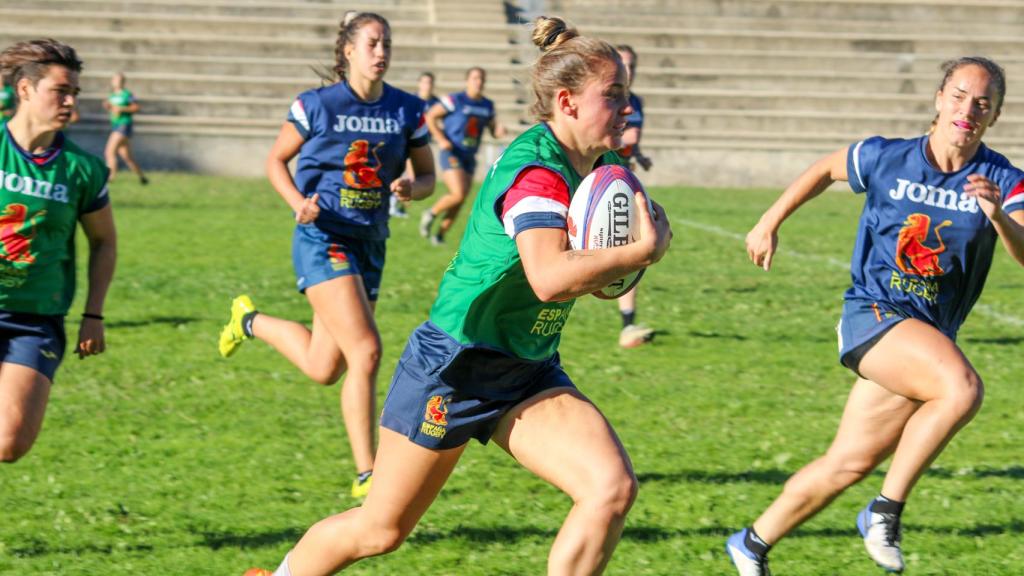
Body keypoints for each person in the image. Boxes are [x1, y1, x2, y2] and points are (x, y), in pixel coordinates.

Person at [244, 15, 672, 576]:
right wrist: (639, 252)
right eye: (613, 96)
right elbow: (548, 276)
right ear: (567, 102)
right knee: (380, 530)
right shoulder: (535, 173)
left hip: (526, 369)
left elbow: (593, 271)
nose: (627, 107)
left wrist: (626, 257)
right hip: (453, 365)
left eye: (627, 95)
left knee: (610, 489)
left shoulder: (602, 166)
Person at [728, 56, 1024, 575]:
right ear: (938, 99)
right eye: (958, 95)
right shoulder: (886, 156)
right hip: (874, 313)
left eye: (982, 103)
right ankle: (884, 512)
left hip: (925, 335)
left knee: (849, 462)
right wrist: (768, 221)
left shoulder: (1005, 179)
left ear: (995, 116)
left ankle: (751, 543)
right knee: (961, 390)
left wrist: (998, 215)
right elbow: (824, 169)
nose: (968, 109)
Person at [218, 11, 435, 499]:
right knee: (367, 350)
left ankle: (248, 320)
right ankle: (368, 473)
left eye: (387, 44)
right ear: (349, 51)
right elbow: (275, 160)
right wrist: (299, 204)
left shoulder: (406, 109)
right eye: (373, 43)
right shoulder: (315, 105)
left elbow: (428, 179)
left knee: (325, 366)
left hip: (370, 239)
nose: (382, 52)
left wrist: (410, 187)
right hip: (323, 237)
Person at [0, 39, 117, 463]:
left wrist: (93, 314)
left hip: (35, 318)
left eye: (74, 93)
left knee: (9, 442)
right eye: (60, 91)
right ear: (26, 90)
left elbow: (104, 241)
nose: (70, 101)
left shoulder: (82, 169)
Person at [418, 66, 506, 245]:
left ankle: (440, 234)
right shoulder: (455, 100)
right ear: (467, 81)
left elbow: (493, 130)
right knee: (457, 194)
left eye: (481, 79)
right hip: (452, 152)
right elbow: (430, 116)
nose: (478, 82)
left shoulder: (487, 105)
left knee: (461, 199)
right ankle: (431, 213)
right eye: (475, 78)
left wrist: (498, 130)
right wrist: (441, 139)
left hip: (469, 156)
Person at [613, 45, 655, 349]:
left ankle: (628, 326)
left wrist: (638, 154)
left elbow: (632, 139)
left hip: (623, 180)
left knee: (634, 250)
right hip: (597, 181)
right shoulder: (603, 97)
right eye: (623, 64)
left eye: (633, 65)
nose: (630, 71)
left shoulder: (636, 101)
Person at [390, 71, 438, 218]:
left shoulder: (436, 102)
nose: (427, 86)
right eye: (424, 82)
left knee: (413, 179)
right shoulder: (411, 101)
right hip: (411, 144)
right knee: (412, 178)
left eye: (429, 83)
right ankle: (393, 204)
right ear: (419, 84)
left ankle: (396, 204)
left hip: (424, 145)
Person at [102, 72, 147, 185]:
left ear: (123, 81)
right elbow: (112, 108)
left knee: (109, 151)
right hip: (116, 125)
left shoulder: (127, 94)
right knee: (127, 157)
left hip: (124, 125)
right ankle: (142, 177)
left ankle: (110, 178)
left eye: (119, 80)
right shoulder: (112, 95)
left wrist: (122, 109)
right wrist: (108, 106)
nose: (117, 82)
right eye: (115, 79)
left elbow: (136, 107)